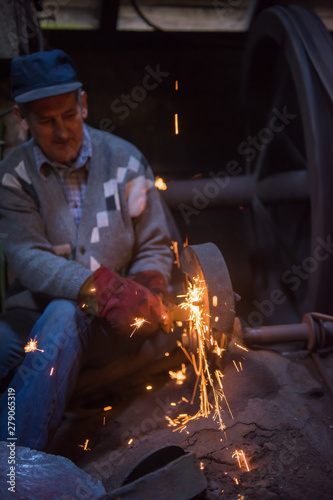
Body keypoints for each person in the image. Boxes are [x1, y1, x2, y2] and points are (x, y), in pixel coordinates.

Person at [0, 49, 174, 451]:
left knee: (65, 316)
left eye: (69, 115)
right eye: (45, 121)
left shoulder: (127, 162)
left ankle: (17, 466)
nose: (61, 132)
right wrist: (100, 288)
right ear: (21, 118)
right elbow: (28, 258)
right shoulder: (12, 177)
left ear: (84, 103)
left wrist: (147, 283)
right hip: (32, 315)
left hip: (113, 324)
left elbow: (155, 243)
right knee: (54, 317)